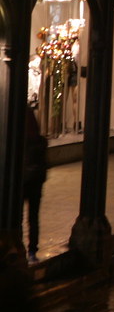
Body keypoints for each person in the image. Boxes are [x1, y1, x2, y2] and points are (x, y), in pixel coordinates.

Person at [23, 108, 47, 264]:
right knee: (33, 218)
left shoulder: (21, 141)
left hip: (22, 182)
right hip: (35, 183)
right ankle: (32, 251)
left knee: (16, 218)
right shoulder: (41, 141)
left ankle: (15, 248)